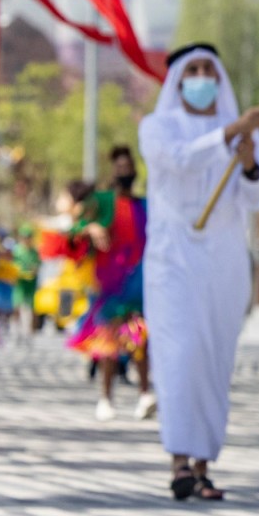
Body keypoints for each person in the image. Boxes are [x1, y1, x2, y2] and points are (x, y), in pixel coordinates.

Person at [139, 45, 259, 501]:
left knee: (213, 359)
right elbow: (178, 160)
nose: (201, 77)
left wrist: (250, 161)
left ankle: (202, 465)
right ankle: (178, 460)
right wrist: (230, 134)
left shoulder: (240, 132)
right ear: (178, 80)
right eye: (192, 70)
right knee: (180, 356)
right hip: (172, 259)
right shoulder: (157, 127)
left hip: (223, 259)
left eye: (208, 70)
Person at [63, 177, 152, 421]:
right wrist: (90, 228)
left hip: (136, 283)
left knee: (139, 338)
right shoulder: (99, 205)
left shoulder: (143, 206)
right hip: (108, 285)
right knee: (108, 343)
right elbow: (72, 236)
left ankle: (145, 394)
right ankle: (105, 398)